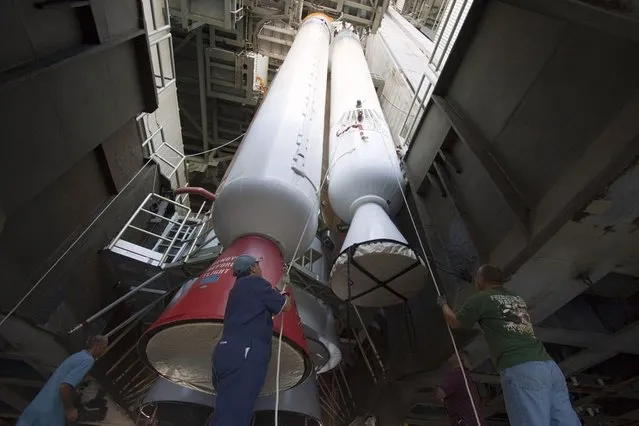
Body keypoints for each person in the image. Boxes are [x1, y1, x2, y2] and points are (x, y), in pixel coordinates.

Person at [437, 265, 581, 426]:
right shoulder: (517, 298)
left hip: (520, 368)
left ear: (480, 281)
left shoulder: (482, 298)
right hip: (549, 367)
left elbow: (455, 322)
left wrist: (443, 304)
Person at [210, 254, 292, 426]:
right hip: (245, 354)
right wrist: (287, 293)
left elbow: (261, 303)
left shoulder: (238, 289)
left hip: (226, 352)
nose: (261, 268)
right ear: (253, 268)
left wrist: (278, 286)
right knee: (235, 416)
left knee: (227, 409)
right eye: (258, 265)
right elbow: (285, 306)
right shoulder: (256, 284)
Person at [17, 335, 108, 426]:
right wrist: (70, 409)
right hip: (51, 412)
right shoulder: (88, 360)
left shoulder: (78, 355)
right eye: (104, 348)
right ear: (97, 346)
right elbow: (65, 386)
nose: (103, 352)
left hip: (38, 405)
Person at [436, 351, 484, 426]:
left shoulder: (457, 374)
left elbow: (440, 393)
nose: (451, 354)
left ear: (461, 358)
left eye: (454, 353)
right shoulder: (465, 376)